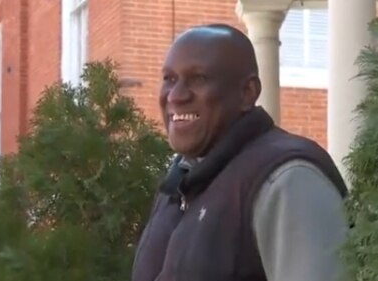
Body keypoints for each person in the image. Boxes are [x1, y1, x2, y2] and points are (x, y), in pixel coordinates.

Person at [131, 24, 350, 281]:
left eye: (198, 78)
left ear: (248, 93)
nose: (176, 96)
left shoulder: (289, 179)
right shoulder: (180, 182)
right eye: (169, 79)